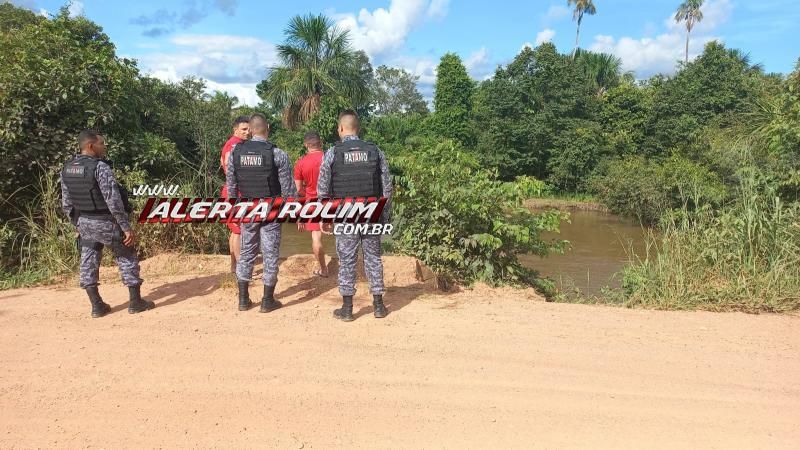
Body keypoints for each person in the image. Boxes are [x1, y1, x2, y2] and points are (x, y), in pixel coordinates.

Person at [61, 130, 154, 318]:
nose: (104, 147)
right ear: (90, 146)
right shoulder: (99, 167)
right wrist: (125, 227)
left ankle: (97, 306)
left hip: (85, 223)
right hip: (107, 222)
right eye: (101, 143)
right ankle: (135, 302)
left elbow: (66, 202)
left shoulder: (67, 168)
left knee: (88, 260)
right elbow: (113, 199)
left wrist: (76, 224)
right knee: (127, 256)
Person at [317, 110, 393, 322]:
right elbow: (387, 188)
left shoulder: (332, 153)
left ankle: (347, 308)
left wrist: (325, 216)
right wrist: (384, 215)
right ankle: (378, 305)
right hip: (371, 212)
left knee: (347, 259)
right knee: (373, 257)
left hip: (345, 213)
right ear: (358, 128)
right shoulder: (375, 151)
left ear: (341, 129)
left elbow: (322, 189)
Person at [226, 113, 296, 312]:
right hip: (271, 208)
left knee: (247, 251)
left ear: (251, 130)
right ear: (268, 129)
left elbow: (231, 186)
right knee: (270, 253)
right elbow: (289, 190)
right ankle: (267, 301)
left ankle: (243, 299)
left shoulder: (234, 153)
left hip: (247, 207)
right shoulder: (277, 154)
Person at [293, 130, 329, 278]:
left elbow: (298, 189)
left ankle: (323, 269)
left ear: (306, 145)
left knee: (316, 237)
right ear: (320, 143)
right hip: (331, 201)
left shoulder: (301, 163)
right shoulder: (328, 158)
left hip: (312, 202)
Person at [220, 115, 251, 273]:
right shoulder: (236, 146)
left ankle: (234, 265)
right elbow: (227, 164)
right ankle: (241, 268)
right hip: (235, 192)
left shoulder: (228, 144)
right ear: (235, 130)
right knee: (239, 231)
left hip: (228, 190)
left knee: (234, 231)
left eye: (249, 129)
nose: (247, 132)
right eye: (244, 129)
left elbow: (223, 163)